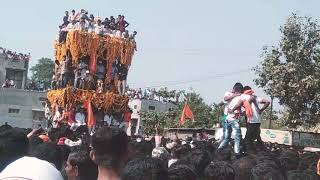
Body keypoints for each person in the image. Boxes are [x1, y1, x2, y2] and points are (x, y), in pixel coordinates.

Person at [217, 83, 247, 158]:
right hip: (232, 119)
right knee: (237, 137)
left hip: (227, 118)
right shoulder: (239, 96)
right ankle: (237, 153)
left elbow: (222, 102)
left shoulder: (232, 97)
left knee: (227, 137)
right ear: (240, 90)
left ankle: (218, 150)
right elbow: (226, 100)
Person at [241, 86, 270, 152]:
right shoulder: (256, 97)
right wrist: (261, 110)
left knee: (248, 139)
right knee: (255, 136)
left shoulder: (244, 96)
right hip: (258, 121)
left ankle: (250, 153)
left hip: (251, 121)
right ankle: (261, 150)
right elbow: (267, 102)